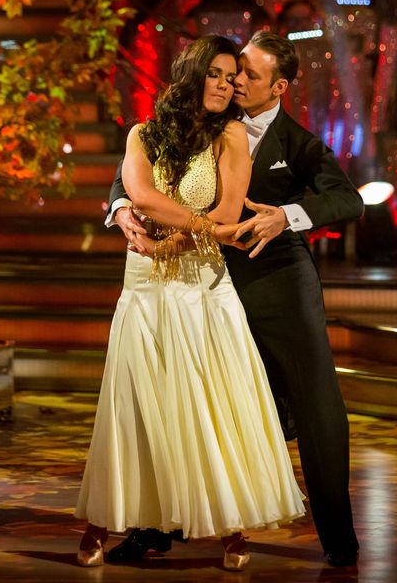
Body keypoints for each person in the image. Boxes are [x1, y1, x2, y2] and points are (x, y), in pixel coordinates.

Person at [107, 31, 364, 568]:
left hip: (276, 279)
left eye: (248, 74)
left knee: (315, 402)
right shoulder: (194, 120)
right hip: (203, 281)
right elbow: (134, 174)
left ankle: (338, 538)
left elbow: (347, 199)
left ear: (279, 87)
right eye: (229, 70)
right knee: (181, 399)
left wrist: (287, 216)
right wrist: (119, 208)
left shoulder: (297, 142)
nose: (235, 81)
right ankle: (159, 527)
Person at [74, 35, 305, 572]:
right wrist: (169, 229)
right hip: (144, 283)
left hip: (202, 285)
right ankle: (102, 521)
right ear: (191, 74)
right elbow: (140, 193)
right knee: (133, 403)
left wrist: (176, 240)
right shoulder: (142, 134)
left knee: (212, 401)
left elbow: (227, 212)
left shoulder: (231, 135)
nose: (226, 85)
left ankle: (232, 524)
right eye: (216, 74)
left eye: (232, 77)